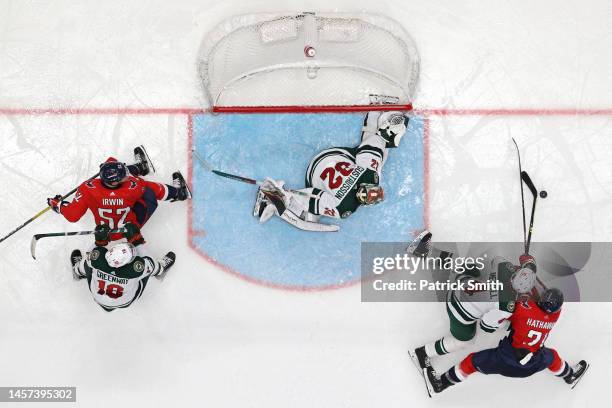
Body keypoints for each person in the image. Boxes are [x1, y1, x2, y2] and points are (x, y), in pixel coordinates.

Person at [253, 111, 409, 231]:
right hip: (314, 173)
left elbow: (375, 142)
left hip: (331, 156)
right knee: (310, 217)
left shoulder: (371, 173)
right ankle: (272, 199)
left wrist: (386, 127)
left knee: (377, 153)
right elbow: (310, 198)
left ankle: (376, 114)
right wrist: (286, 196)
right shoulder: (344, 208)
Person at [408, 230, 538, 371]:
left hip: (460, 284)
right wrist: (506, 324)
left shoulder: (504, 266)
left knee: (473, 266)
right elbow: (486, 326)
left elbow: (496, 261)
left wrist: (529, 264)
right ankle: (422, 353)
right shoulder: (506, 306)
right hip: (457, 309)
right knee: (467, 341)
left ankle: (422, 250)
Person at [423, 288, 589, 396]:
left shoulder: (524, 309)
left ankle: (441, 383)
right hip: (533, 363)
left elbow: (522, 301)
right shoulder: (555, 316)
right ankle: (569, 375)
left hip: (506, 359)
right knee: (552, 357)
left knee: (471, 362)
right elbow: (540, 303)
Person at [47, 146, 190, 238]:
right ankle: (178, 193)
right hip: (130, 229)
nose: (126, 178)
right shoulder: (132, 187)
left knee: (112, 163)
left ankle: (140, 167)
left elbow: (73, 215)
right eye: (122, 178)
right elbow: (152, 188)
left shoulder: (87, 188)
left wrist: (59, 205)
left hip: (107, 234)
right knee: (149, 190)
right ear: (114, 182)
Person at [70, 222, 176, 312]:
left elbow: (90, 255)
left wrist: (99, 241)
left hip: (99, 297)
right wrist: (137, 241)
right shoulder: (135, 269)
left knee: (88, 263)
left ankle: (77, 272)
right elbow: (150, 263)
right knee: (149, 268)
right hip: (126, 301)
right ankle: (162, 270)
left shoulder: (97, 259)